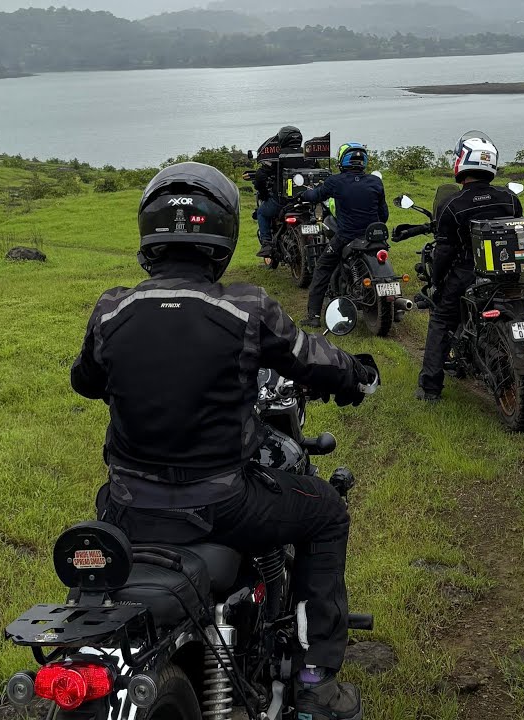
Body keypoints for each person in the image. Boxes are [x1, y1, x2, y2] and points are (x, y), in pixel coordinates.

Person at [73, 162, 376, 720]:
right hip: (219, 505)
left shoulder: (112, 308)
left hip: (126, 505)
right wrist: (356, 374)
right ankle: (313, 679)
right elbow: (312, 358)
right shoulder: (245, 307)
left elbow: (85, 381)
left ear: (149, 238)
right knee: (327, 511)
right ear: (222, 237)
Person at [416, 133, 522, 402]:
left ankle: (430, 388)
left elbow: (444, 251)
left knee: (440, 319)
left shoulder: (453, 205)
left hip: (468, 274)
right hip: (509, 273)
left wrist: (437, 282)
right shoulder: (509, 199)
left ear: (462, 163)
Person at [298, 142, 389, 327]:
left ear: (343, 161)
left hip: (346, 236)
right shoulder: (375, 181)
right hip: (374, 236)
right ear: (363, 161)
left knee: (322, 267)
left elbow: (316, 196)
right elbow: (384, 215)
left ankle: (313, 316)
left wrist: (302, 195)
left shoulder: (335, 181)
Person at [253, 125, 303, 258]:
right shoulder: (309, 155)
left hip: (282, 202)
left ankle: (267, 244)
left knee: (262, 212)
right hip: (306, 201)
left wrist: (263, 193)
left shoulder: (276, 157)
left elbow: (260, 177)